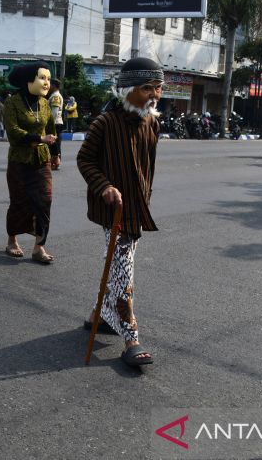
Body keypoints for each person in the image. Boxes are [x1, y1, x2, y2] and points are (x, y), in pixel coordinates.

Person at [77, 57, 162, 368]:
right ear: (127, 90)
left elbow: (148, 168)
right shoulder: (105, 123)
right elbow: (85, 160)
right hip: (114, 211)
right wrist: (105, 186)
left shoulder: (152, 122)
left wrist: (144, 199)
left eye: (159, 87)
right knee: (123, 271)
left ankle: (98, 317)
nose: (155, 94)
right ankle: (131, 339)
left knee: (115, 263)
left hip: (137, 209)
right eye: (148, 88)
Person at [2, 61, 57, 264]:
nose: (46, 83)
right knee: (19, 200)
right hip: (19, 160)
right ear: (28, 80)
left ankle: (38, 247)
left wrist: (55, 152)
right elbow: (13, 132)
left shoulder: (44, 103)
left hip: (42, 160)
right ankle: (12, 240)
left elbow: (51, 128)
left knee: (45, 200)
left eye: (48, 79)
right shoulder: (12, 103)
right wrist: (39, 139)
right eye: (42, 78)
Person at [48, 78, 64, 170]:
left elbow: (54, 112)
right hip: (57, 123)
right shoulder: (54, 95)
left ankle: (55, 162)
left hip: (55, 123)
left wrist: (50, 124)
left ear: (54, 86)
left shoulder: (55, 96)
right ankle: (55, 162)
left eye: (50, 84)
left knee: (54, 143)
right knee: (55, 143)